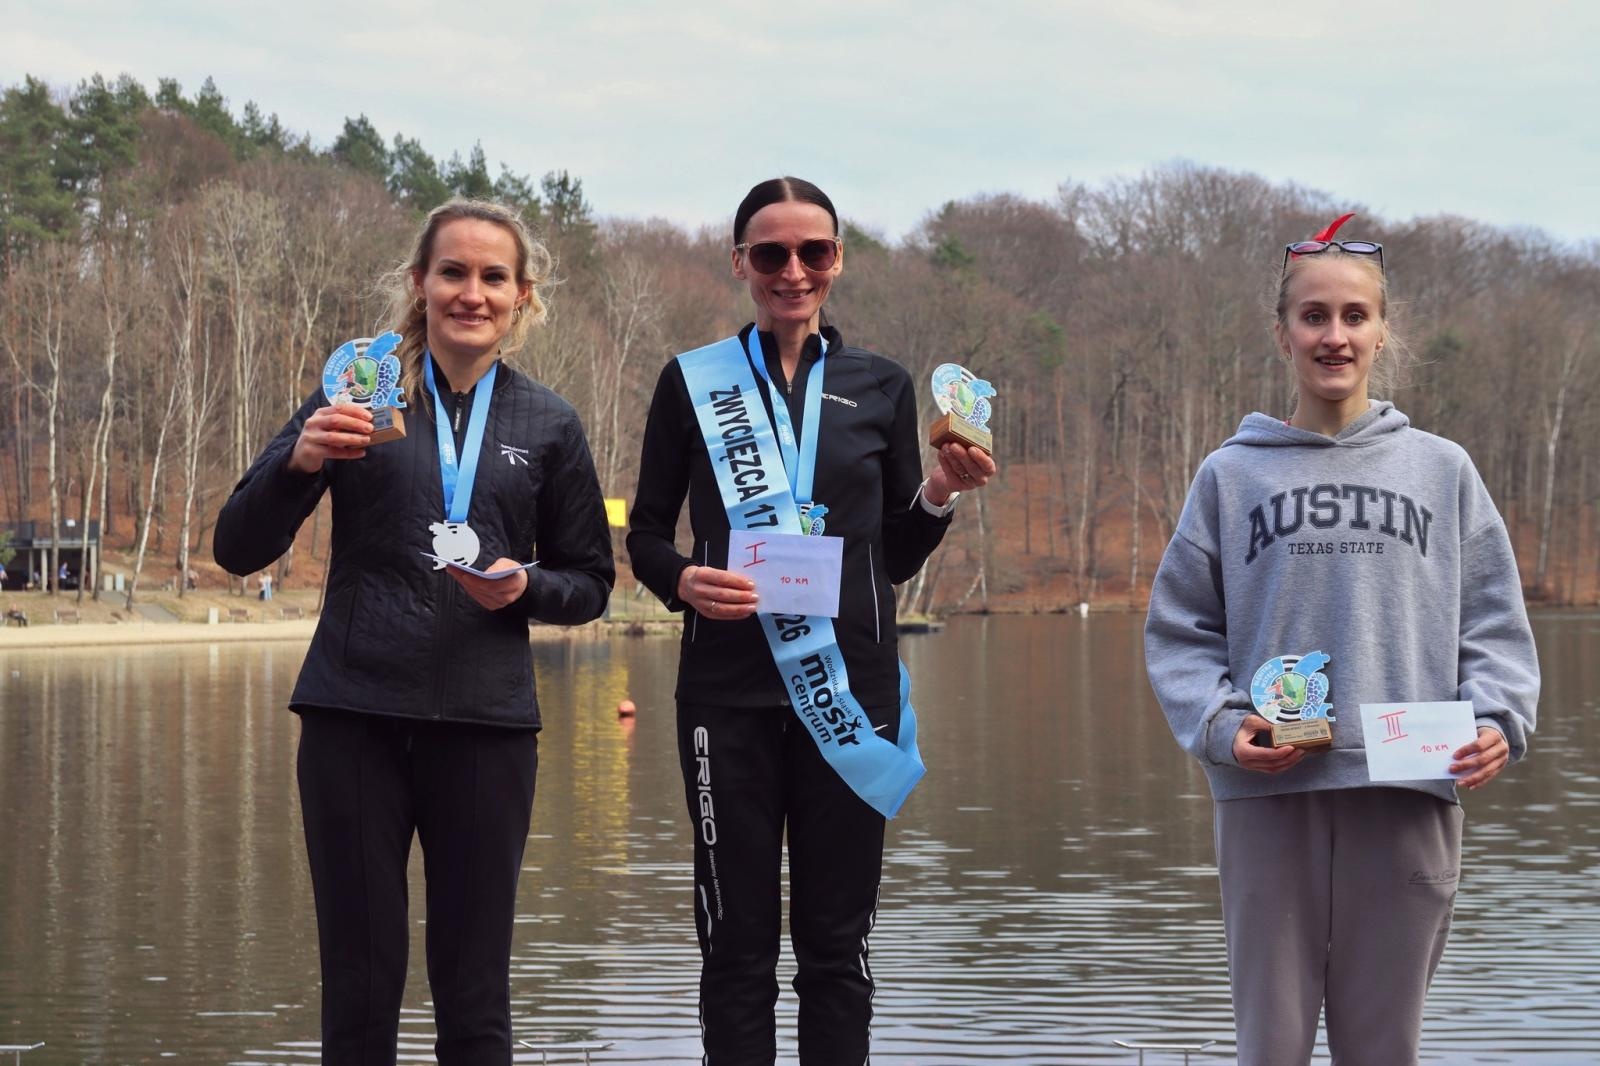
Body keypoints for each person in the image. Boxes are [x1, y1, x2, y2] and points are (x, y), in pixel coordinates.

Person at [214, 198, 614, 1064]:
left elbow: (591, 585)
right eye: (453, 273)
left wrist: (525, 586)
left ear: (522, 296)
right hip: (353, 719)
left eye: (493, 277)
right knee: (359, 995)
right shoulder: (356, 395)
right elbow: (237, 547)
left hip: (487, 728)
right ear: (419, 284)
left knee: (475, 1000)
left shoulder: (549, 424)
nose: (472, 293)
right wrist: (301, 460)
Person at [1144, 214, 1540, 1066]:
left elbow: (1495, 621)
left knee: (1383, 1048)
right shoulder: (1231, 474)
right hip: (1268, 794)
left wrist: (1499, 720)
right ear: (1282, 331)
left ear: (1382, 330)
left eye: (1354, 316)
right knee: (1271, 1048)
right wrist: (1220, 725)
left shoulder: (1442, 470)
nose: (1335, 336)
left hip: (1408, 786)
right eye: (1314, 316)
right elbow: (1180, 629)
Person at [627, 176, 997, 1065]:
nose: (792, 270)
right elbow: (642, 535)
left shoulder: (883, 385)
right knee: (735, 950)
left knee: (838, 956)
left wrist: (940, 495)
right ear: (740, 264)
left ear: (837, 262)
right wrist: (682, 580)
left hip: (850, 698)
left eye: (813, 252)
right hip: (727, 696)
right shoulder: (691, 382)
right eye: (771, 253)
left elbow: (891, 555)